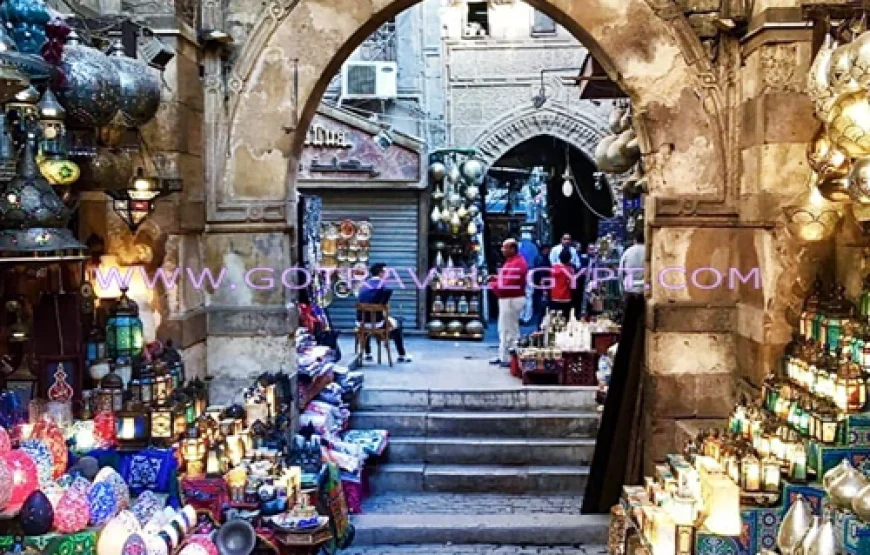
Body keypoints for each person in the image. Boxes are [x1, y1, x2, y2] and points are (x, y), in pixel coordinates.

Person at [356, 263, 413, 363]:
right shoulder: (385, 288)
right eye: (385, 271)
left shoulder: (363, 285)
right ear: (381, 273)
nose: (387, 274)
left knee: (367, 324)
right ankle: (402, 355)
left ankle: (367, 353)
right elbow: (383, 307)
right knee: (397, 325)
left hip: (360, 322)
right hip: (377, 323)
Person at [489, 239, 529, 368]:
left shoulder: (518, 263)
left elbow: (507, 285)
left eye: (504, 247)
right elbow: (505, 279)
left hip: (512, 299)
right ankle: (504, 356)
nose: (502, 250)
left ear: (512, 249)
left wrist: (492, 284)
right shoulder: (513, 261)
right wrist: (495, 278)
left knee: (510, 330)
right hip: (508, 299)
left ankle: (511, 358)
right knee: (504, 329)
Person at [619, 227, 646, 299]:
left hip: (629, 289)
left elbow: (620, 273)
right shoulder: (649, 252)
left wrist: (622, 289)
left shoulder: (627, 252)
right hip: (645, 289)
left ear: (635, 240)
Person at [548, 248, 574, 321]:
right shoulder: (570, 270)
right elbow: (572, 285)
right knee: (565, 319)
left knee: (554, 320)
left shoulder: (553, 268)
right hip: (566, 297)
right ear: (569, 259)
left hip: (554, 297)